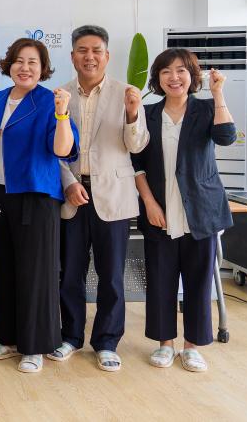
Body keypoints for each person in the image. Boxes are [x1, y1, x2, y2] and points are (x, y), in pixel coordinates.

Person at [49, 25, 149, 372]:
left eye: (96, 50)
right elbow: (53, 150)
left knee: (111, 276)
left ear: (107, 56)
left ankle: (107, 342)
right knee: (70, 274)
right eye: (82, 50)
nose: (89, 57)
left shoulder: (127, 94)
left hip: (114, 195)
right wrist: (67, 184)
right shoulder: (60, 94)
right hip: (73, 195)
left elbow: (137, 145)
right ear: (72, 55)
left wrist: (133, 114)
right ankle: (70, 336)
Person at [131, 48, 235, 372]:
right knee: (160, 280)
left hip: (200, 211)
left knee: (198, 282)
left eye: (181, 71)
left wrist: (218, 93)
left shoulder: (207, 108)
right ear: (157, 78)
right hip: (160, 211)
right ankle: (165, 344)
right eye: (166, 71)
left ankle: (192, 347)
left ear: (192, 76)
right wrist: (149, 203)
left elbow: (226, 137)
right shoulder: (147, 113)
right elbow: (136, 163)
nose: (173, 77)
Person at [0, 37, 78, 373]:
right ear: (9, 64)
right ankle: (8, 337)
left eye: (32, 62)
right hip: (0, 193)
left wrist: (62, 114)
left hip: (36, 194)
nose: (24, 68)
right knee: (6, 267)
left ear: (43, 69)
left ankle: (36, 345)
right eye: (19, 61)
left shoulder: (50, 101)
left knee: (36, 273)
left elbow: (63, 150)